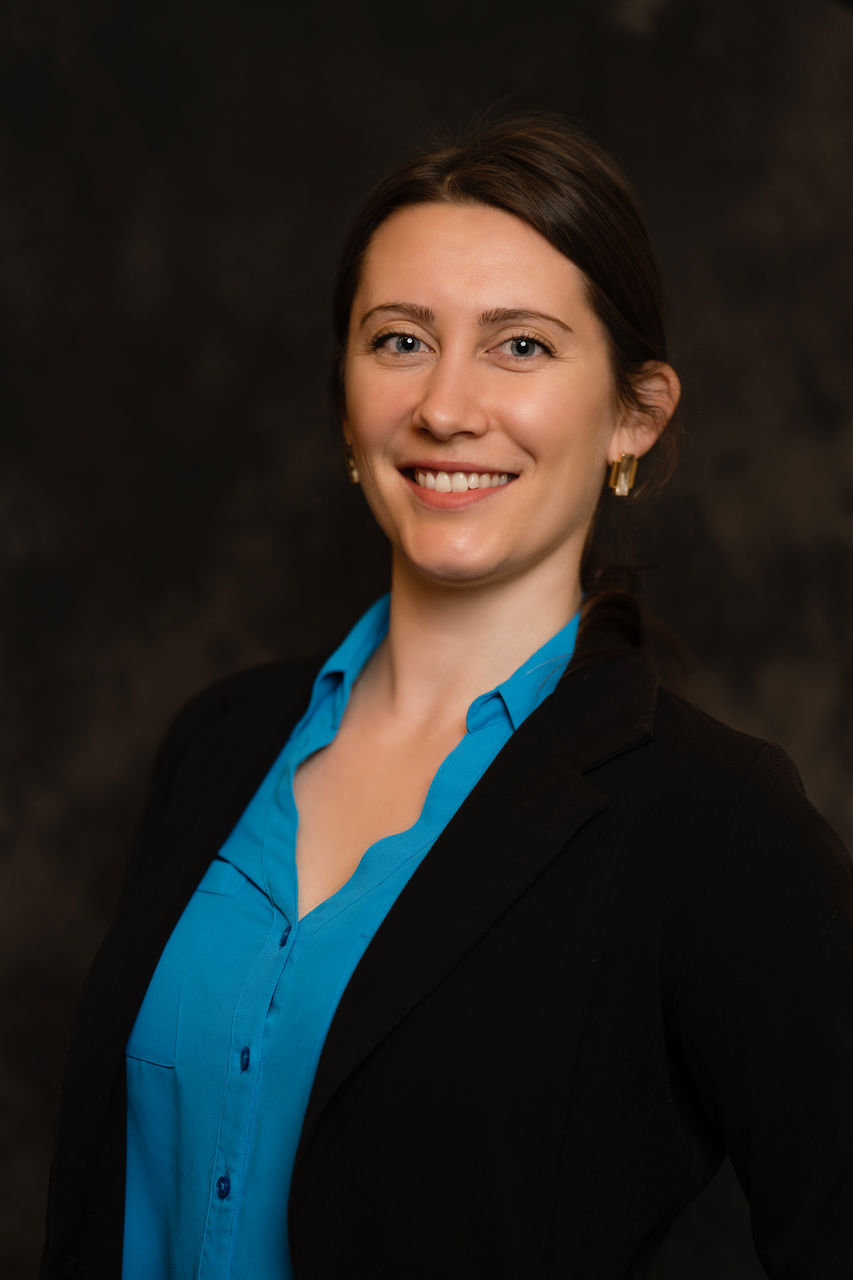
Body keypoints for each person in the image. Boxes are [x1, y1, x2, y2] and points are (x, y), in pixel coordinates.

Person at [42, 116, 853, 1279]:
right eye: (400, 340)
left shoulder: (715, 823)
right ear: (345, 398)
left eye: (519, 347)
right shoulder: (219, 742)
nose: (446, 406)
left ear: (635, 413)